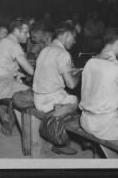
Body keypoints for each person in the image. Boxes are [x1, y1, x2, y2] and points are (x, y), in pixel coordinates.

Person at [32, 21, 81, 155]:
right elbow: (71, 84)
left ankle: (57, 135)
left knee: (65, 96)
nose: (75, 41)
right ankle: (59, 140)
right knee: (76, 102)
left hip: (38, 98)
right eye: (73, 37)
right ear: (66, 35)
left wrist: (70, 72)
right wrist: (81, 73)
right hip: (49, 101)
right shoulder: (63, 53)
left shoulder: (45, 49)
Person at [0, 18, 34, 135]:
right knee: (31, 95)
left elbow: (8, 66)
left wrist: (18, 73)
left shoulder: (4, 41)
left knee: (20, 85)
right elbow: (31, 71)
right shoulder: (13, 45)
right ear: (16, 31)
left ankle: (1, 108)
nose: (28, 36)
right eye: (25, 32)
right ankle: (10, 122)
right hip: (1, 83)